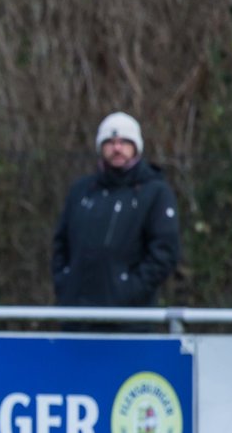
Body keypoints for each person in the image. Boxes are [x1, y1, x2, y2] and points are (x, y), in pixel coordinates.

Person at [51, 111, 181, 330]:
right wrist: (66, 282)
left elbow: (164, 252)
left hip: (129, 322)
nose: (117, 148)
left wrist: (129, 290)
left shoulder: (155, 192)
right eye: (110, 142)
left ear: (136, 147)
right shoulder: (82, 191)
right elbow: (60, 243)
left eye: (124, 142)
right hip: (78, 317)